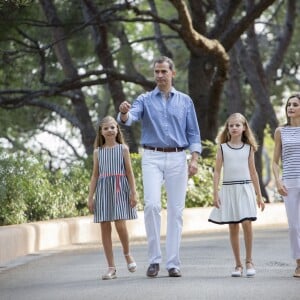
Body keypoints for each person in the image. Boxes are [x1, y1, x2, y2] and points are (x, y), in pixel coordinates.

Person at [118, 56, 202, 278]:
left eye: (164, 71)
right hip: (152, 157)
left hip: (178, 158)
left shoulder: (185, 101)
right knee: (152, 206)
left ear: (172, 73)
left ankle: (173, 263)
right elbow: (130, 118)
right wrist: (124, 112)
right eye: (156, 72)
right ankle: (154, 260)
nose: (159, 75)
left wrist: (194, 159)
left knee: (176, 211)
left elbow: (193, 133)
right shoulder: (145, 99)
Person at [208, 113, 265, 277]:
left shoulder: (248, 148)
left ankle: (249, 261)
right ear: (227, 128)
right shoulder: (222, 148)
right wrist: (215, 193)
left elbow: (253, 173)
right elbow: (217, 172)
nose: (234, 128)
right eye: (231, 125)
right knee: (233, 226)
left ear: (244, 127)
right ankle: (238, 264)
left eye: (237, 125)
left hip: (245, 189)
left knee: (247, 223)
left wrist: (259, 196)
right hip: (228, 190)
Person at [87, 116, 138, 280]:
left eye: (112, 127)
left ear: (117, 130)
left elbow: (129, 172)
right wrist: (90, 197)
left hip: (119, 188)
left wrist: (133, 192)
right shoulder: (98, 152)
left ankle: (127, 253)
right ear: (101, 132)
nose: (109, 130)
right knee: (104, 227)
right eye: (106, 128)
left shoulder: (123, 149)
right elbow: (95, 176)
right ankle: (111, 267)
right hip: (103, 191)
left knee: (120, 225)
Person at [272, 94, 300, 278]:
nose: (290, 107)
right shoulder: (280, 131)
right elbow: (275, 162)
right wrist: (278, 180)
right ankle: (299, 263)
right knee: (293, 226)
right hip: (289, 182)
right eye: (289, 104)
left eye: (295, 104)